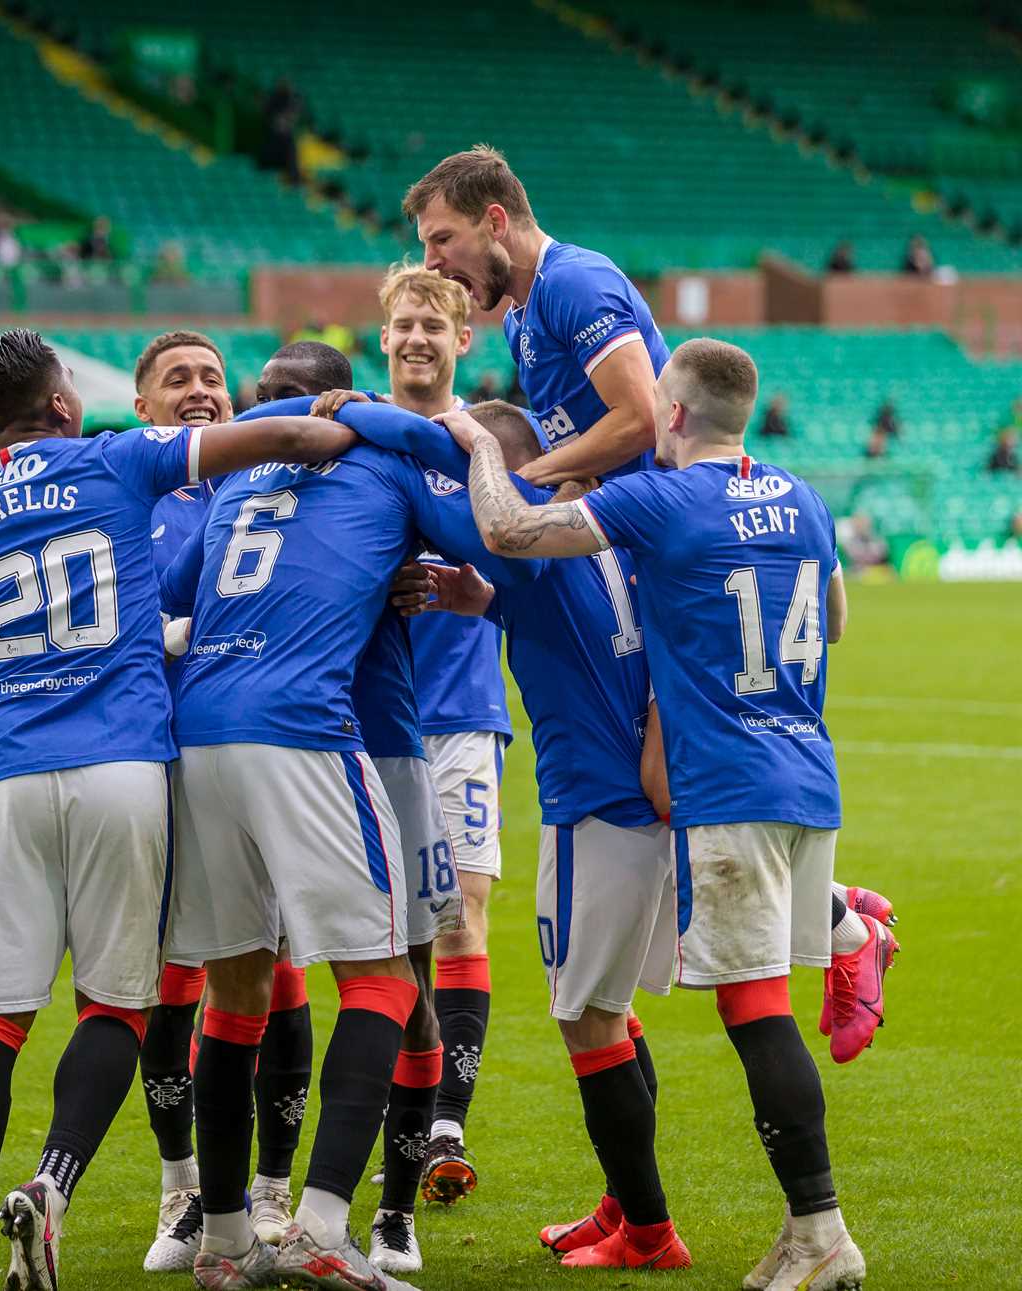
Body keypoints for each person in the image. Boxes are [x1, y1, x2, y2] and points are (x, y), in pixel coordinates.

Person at [441, 338, 893, 1291]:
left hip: (726, 782)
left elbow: (515, 530)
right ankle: (850, 928)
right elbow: (840, 622)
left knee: (758, 1013)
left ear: (673, 416)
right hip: (808, 772)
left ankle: (820, 1230)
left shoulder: (665, 497)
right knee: (752, 1006)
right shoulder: (803, 496)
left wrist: (475, 442)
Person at [0, 328, 356, 1291]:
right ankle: (53, 1186)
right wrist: (326, 418)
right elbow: (280, 443)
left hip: (7, 778)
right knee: (115, 1004)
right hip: (122, 767)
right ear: (64, 404)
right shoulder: (118, 460)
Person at [158, 399, 542, 1290]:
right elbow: (503, 535)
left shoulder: (240, 479)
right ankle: (324, 1224)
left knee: (236, 989)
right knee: (384, 978)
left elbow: (173, 587)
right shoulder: (392, 466)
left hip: (200, 730)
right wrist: (462, 454)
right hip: (303, 726)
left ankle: (222, 1242)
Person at [340, 398, 690, 1271]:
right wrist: (485, 600)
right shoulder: (597, 548)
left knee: (586, 1019)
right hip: (638, 806)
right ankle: (623, 1204)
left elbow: (507, 537)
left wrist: (398, 419)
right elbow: (564, 622)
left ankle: (649, 1231)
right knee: (612, 1009)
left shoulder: (527, 531)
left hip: (595, 808)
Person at [128, 330, 320, 1274]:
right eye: (178, 379)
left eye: (211, 376)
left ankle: (271, 1190)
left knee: (273, 971)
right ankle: (181, 1188)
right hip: (153, 766)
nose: (200, 390)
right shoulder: (129, 498)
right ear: (144, 408)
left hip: (245, 758)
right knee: (168, 981)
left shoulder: (265, 489)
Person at [370, 266, 509, 1204]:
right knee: (375, 930)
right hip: (365, 719)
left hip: (460, 714)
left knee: (458, 908)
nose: (418, 337)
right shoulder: (356, 442)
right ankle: (388, 1105)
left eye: (435, 325)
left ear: (465, 340)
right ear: (384, 337)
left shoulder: (487, 443)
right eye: (404, 324)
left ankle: (446, 1121)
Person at [403, 144, 669, 485]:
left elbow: (642, 419)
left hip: (659, 519)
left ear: (495, 222)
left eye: (442, 238)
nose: (430, 262)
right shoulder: (516, 320)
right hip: (617, 515)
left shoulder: (574, 282)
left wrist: (525, 481)